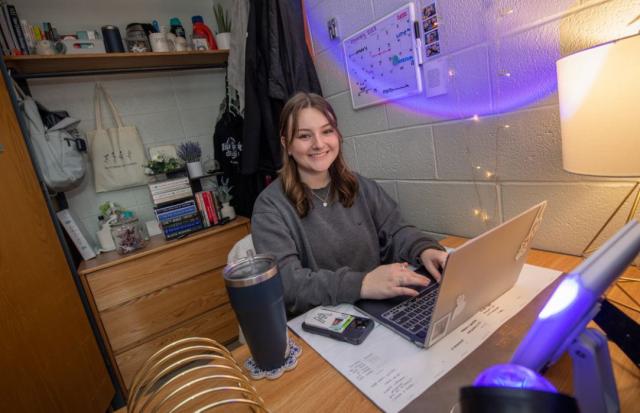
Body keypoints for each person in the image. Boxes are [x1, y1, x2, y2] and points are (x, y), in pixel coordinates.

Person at [251, 92, 448, 316]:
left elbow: (396, 230)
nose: (319, 144)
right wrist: (362, 284)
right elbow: (288, 285)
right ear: (286, 144)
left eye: (327, 131)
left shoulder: (361, 186)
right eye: (304, 136)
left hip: (378, 305)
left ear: (337, 135)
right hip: (324, 321)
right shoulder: (270, 207)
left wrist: (424, 249)